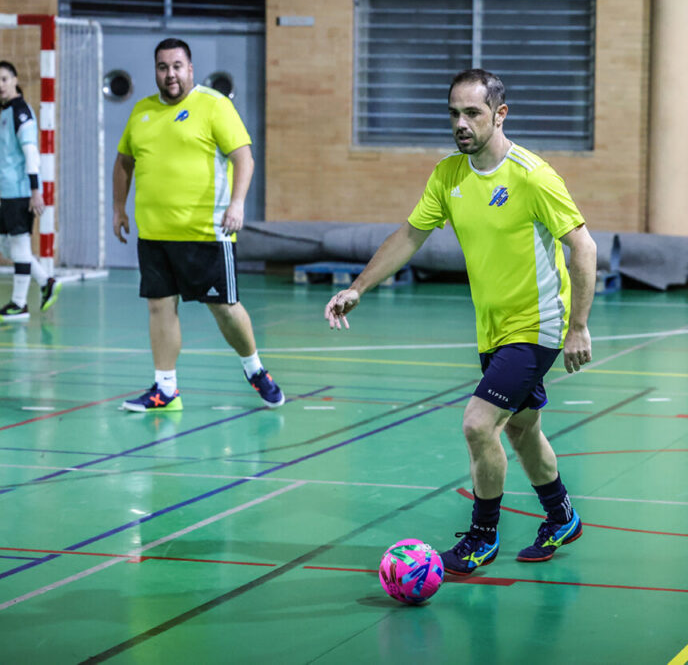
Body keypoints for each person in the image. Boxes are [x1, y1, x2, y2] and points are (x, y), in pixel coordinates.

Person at [325, 68, 598, 575]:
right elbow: (409, 236)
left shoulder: (532, 175)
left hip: (536, 326)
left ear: (499, 114)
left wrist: (578, 325)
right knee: (520, 430)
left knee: (478, 424)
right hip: (492, 329)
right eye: (454, 113)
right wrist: (357, 287)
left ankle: (481, 538)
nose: (461, 123)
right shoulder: (448, 175)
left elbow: (583, 245)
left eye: (472, 113)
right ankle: (562, 516)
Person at [113, 38, 283, 412]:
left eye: (177, 66)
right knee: (159, 307)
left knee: (224, 307)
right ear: (155, 71)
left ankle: (254, 368)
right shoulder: (141, 112)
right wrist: (118, 209)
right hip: (154, 233)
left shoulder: (214, 106)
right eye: (162, 67)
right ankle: (165, 388)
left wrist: (237, 203)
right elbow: (124, 162)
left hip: (206, 232)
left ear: (190, 69)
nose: (170, 74)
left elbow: (244, 158)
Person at [0, 60, 61, 321]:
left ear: (15, 80)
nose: (0, 84)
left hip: (19, 192)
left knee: (20, 247)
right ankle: (46, 281)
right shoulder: (4, 111)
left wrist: (36, 191)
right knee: (6, 247)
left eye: (4, 79)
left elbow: (31, 154)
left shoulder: (21, 112)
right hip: (4, 192)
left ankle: (19, 304)